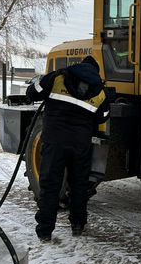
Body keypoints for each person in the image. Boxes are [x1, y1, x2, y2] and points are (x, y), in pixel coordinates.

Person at [26, 55, 109, 241]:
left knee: (50, 185)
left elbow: (32, 93)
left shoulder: (57, 77)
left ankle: (45, 232)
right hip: (80, 144)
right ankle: (78, 225)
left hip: (54, 142)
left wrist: (40, 83)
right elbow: (103, 117)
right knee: (79, 185)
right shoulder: (99, 91)